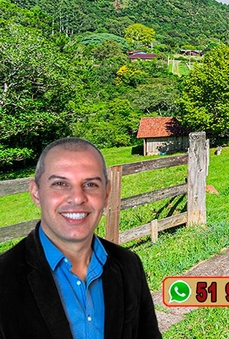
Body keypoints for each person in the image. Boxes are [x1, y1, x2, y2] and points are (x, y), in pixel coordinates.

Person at [0, 137, 162, 339]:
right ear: (36, 193)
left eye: (91, 184)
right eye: (60, 183)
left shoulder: (129, 265)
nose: (77, 198)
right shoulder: (4, 278)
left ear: (106, 193)